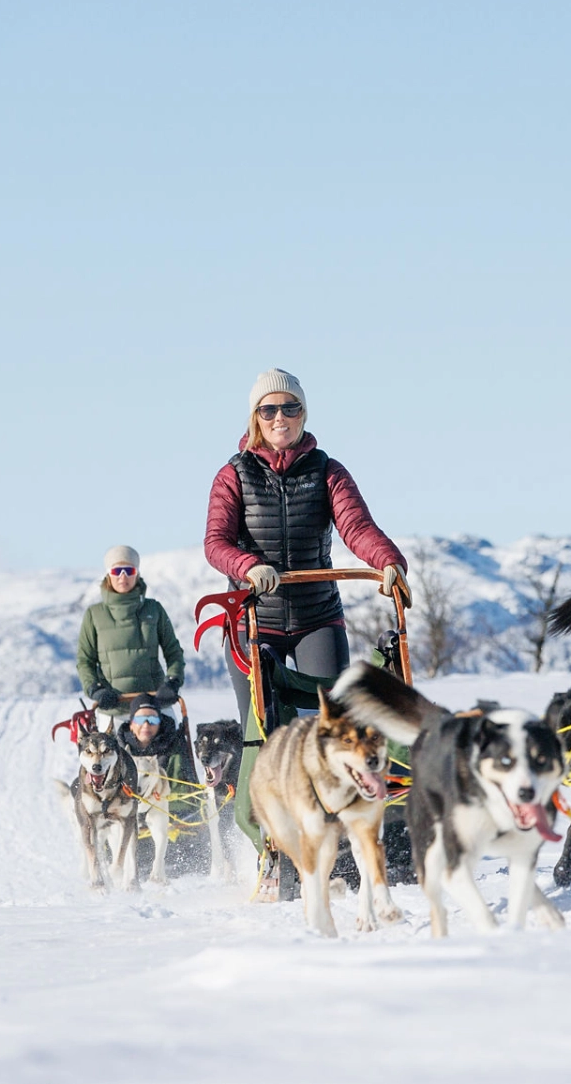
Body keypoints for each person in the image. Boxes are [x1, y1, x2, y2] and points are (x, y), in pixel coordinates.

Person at [204, 368, 409, 889]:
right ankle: (270, 848)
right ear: (255, 417)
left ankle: (338, 839)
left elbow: (357, 527)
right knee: (266, 731)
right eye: (269, 410)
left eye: (289, 409)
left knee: (332, 727)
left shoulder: (327, 470)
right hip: (255, 623)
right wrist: (248, 566)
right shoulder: (233, 474)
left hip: (318, 615)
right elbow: (215, 541)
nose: (279, 419)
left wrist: (387, 562)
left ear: (303, 415)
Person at [77, 545, 185, 726]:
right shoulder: (94, 615)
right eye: (117, 570)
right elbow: (85, 660)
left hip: (155, 705)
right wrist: (96, 690)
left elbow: (173, 651)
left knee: (176, 751)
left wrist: (172, 682)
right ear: (108, 574)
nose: (123, 576)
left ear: (137, 573)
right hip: (114, 709)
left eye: (129, 570)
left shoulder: (154, 609)